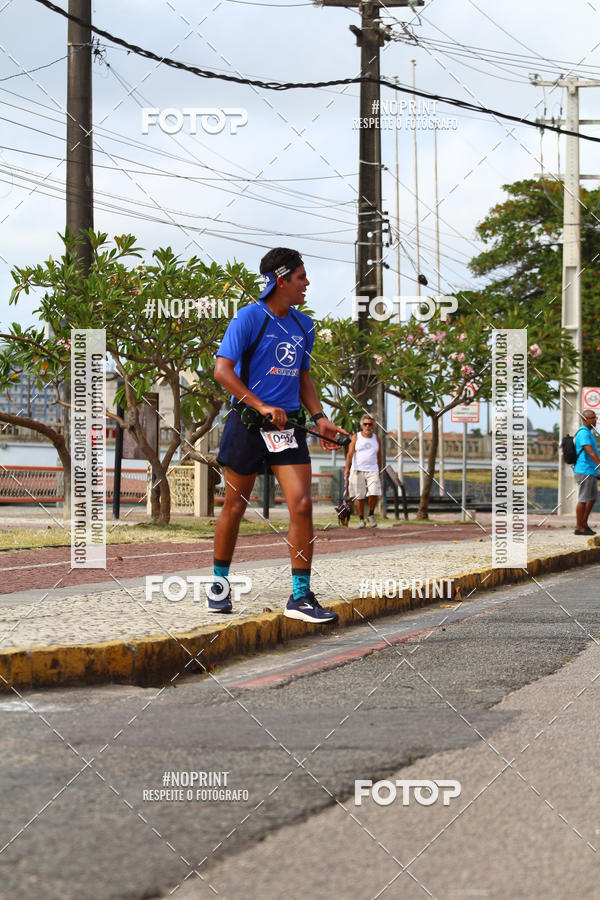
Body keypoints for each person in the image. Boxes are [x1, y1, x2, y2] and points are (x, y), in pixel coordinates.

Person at [209, 247, 347, 623]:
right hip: (248, 424)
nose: (307, 283)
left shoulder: (305, 325)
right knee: (235, 506)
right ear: (281, 281)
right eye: (301, 277)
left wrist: (320, 418)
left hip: (288, 429)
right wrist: (260, 405)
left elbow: (303, 377)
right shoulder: (249, 318)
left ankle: (300, 597)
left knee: (301, 505)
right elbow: (222, 371)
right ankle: (219, 586)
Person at [344, 414, 382, 528]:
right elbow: (350, 454)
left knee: (374, 492)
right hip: (358, 469)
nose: (367, 426)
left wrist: (379, 469)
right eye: (365, 424)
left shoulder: (376, 438)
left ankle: (371, 514)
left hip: (373, 470)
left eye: (370, 424)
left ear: (373, 426)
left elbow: (379, 456)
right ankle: (361, 519)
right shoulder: (356, 437)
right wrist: (347, 468)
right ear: (362, 425)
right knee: (359, 496)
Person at [573, 409, 600, 535]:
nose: (595, 420)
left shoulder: (589, 433)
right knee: (583, 499)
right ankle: (579, 527)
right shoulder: (583, 432)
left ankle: (584, 523)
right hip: (584, 470)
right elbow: (589, 451)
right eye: (592, 418)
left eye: (595, 417)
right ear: (585, 419)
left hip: (590, 470)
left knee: (592, 498)